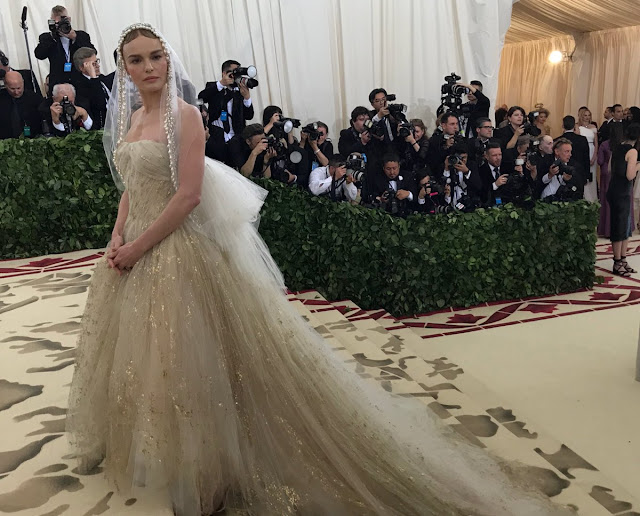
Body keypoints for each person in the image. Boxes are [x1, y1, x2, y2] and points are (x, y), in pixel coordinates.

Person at [67, 23, 572, 516]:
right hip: (134, 248)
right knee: (148, 356)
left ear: (168, 59)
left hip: (176, 251)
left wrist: (137, 248)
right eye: (136, 59)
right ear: (123, 69)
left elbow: (188, 196)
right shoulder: (131, 121)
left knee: (192, 361)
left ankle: (208, 472)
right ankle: (163, 449)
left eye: (155, 55)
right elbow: (132, 186)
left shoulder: (186, 118)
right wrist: (118, 235)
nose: (148, 66)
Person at [197, 59, 255, 162]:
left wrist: (247, 98)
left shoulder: (239, 91)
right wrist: (222, 83)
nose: (235, 76)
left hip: (236, 139)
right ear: (224, 73)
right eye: (233, 72)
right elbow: (201, 97)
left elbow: (249, 115)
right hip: (217, 136)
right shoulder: (214, 86)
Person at [35, 5, 95, 96]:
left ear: (69, 20)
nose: (59, 25)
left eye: (62, 22)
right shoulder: (47, 38)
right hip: (58, 84)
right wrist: (53, 36)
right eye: (57, 22)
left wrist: (75, 38)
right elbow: (39, 54)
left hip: (79, 83)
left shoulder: (81, 35)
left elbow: (92, 53)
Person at [607, 124, 640, 276]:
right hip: (622, 192)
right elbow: (630, 175)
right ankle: (617, 261)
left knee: (624, 227)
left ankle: (622, 259)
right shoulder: (632, 151)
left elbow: (609, 169)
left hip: (614, 189)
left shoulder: (618, 147)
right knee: (620, 227)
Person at [71, 47, 112, 130]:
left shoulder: (103, 79)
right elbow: (100, 104)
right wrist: (93, 77)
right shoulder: (80, 86)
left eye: (97, 61)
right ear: (82, 68)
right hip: (100, 128)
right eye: (93, 64)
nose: (98, 66)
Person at [0, 71, 43, 139]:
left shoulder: (34, 98)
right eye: (12, 89)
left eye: (19, 88)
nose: (16, 92)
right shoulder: (1, 98)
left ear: (23, 82)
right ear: (5, 85)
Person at [556, 115, 590, 199]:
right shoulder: (582, 139)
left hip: (563, 173)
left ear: (563, 125)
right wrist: (587, 176)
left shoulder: (557, 140)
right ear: (574, 125)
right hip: (580, 172)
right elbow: (586, 158)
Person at [575, 108, 599, 202]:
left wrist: (594, 156)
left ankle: (592, 198)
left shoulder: (593, 126)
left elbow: (596, 143)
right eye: (585, 115)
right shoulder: (577, 127)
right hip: (581, 151)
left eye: (589, 115)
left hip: (591, 150)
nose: (587, 117)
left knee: (591, 175)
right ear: (581, 116)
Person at [598, 137, 613, 237]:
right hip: (617, 173)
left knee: (606, 200)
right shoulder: (622, 144)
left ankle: (605, 229)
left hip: (606, 173)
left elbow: (600, 160)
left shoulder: (604, 144)